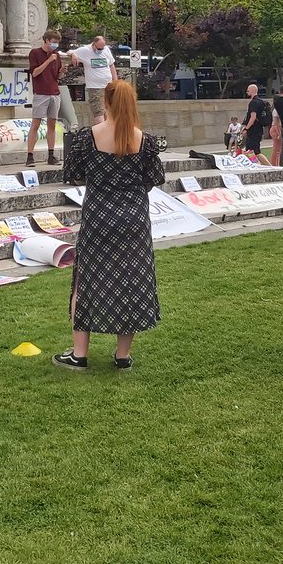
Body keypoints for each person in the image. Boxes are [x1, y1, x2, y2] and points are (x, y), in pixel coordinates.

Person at [53, 80, 164, 370]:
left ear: (106, 101)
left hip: (98, 216)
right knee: (130, 280)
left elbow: (74, 174)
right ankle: (123, 355)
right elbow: (152, 180)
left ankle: (79, 353)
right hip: (134, 219)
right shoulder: (144, 141)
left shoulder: (87, 138)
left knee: (86, 280)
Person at [26, 29, 63, 167]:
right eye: (53, 42)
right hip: (41, 92)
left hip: (54, 92)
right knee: (36, 123)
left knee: (52, 124)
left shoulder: (56, 55)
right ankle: (30, 155)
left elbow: (57, 77)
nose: (55, 45)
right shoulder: (35, 53)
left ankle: (51, 154)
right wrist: (48, 61)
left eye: (57, 43)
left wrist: (61, 73)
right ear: (46, 41)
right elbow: (35, 73)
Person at [67, 34, 117, 125]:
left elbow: (111, 65)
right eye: (99, 48)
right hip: (95, 86)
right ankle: (100, 133)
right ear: (93, 44)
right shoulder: (85, 50)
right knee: (98, 112)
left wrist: (115, 81)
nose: (100, 50)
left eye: (102, 48)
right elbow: (69, 52)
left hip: (108, 85)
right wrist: (73, 54)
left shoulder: (106, 50)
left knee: (109, 111)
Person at [242, 83, 268, 158]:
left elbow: (253, 117)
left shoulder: (253, 102)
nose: (247, 92)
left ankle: (269, 166)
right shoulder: (261, 101)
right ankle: (255, 165)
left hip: (254, 130)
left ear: (252, 91)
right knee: (251, 152)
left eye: (248, 90)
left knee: (255, 152)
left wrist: (246, 128)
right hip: (258, 129)